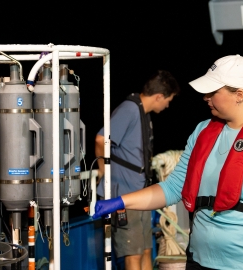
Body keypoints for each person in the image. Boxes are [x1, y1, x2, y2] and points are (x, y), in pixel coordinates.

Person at [93, 55, 243, 270]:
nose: (205, 97)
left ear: (239, 95)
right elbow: (172, 188)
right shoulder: (202, 131)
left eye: (213, 92)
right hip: (197, 260)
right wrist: (120, 202)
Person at [94, 70, 180, 270]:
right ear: (159, 96)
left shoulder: (143, 113)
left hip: (139, 193)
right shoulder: (129, 109)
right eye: (168, 100)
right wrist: (102, 171)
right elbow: (101, 139)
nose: (167, 105)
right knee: (132, 254)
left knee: (145, 250)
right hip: (124, 193)